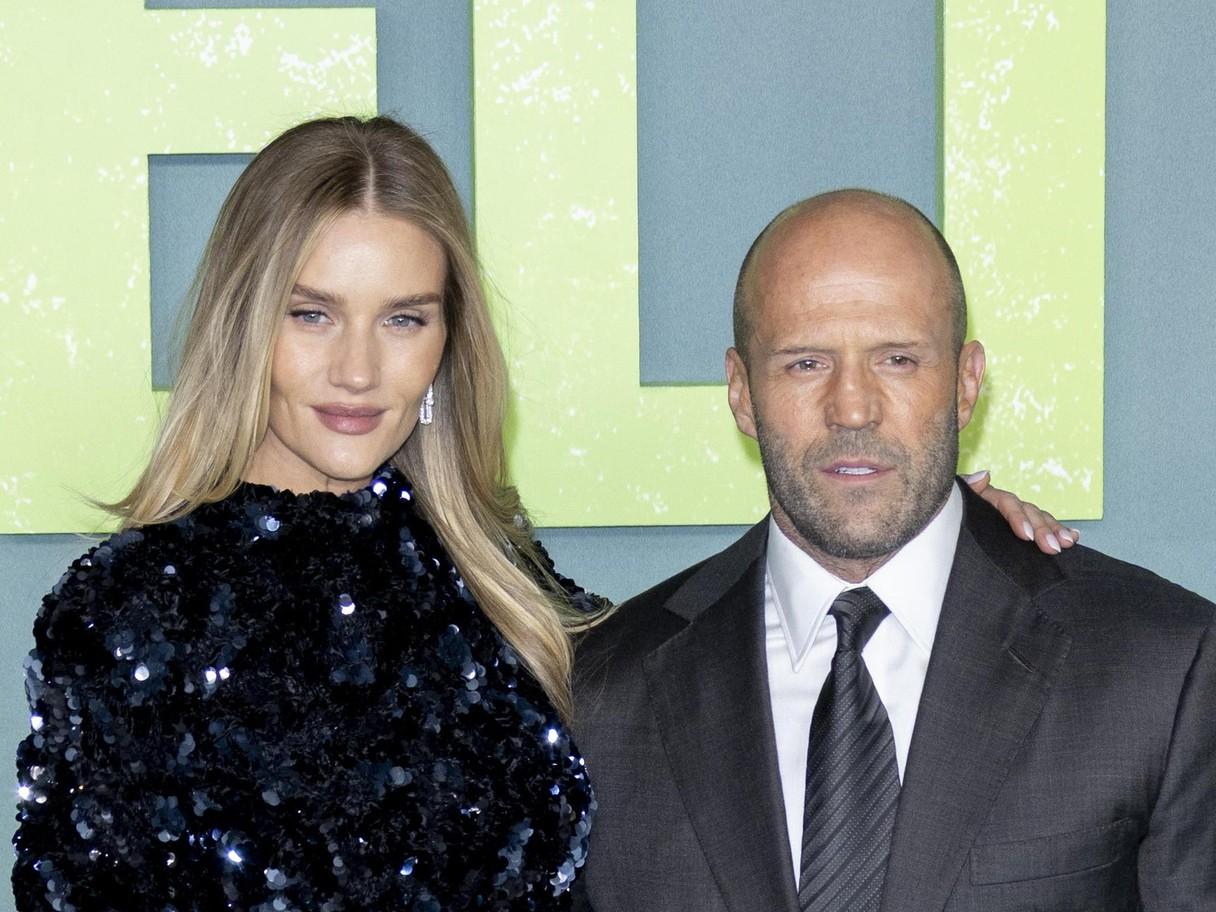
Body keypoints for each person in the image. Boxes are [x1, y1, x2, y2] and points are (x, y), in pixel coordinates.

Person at [12, 116, 601, 911]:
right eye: (312, 314)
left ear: (447, 342)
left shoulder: (507, 587)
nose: (357, 370)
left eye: (403, 319)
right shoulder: (128, 612)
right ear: (245, 325)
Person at [573, 189, 1215, 911]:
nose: (853, 408)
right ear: (742, 393)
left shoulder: (1163, 669)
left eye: (899, 359)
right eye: (805, 363)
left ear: (966, 383)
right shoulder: (600, 693)